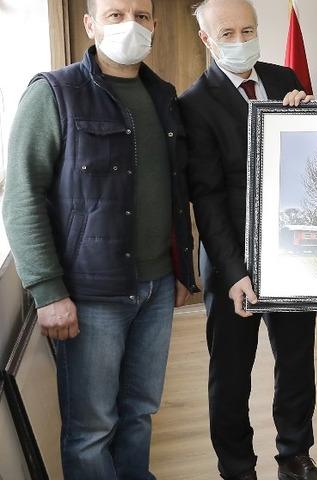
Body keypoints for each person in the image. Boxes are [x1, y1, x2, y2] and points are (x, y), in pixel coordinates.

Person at [1, 0, 197, 477]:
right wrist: (48, 292)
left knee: (140, 412)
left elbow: (175, 190)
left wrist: (181, 270)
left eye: (141, 15)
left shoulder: (164, 95)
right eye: (115, 14)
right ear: (90, 24)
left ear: (153, 24)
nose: (131, 24)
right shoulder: (53, 93)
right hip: (90, 296)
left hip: (156, 287)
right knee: (91, 430)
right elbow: (21, 195)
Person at [178, 1, 317, 479]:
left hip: (293, 257)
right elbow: (207, 197)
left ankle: (295, 456)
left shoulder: (285, 78)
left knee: (297, 363)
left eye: (249, 29)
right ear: (207, 38)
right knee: (231, 374)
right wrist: (234, 271)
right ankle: (237, 468)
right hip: (232, 264)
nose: (241, 40)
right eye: (228, 32)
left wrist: (310, 119)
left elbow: (314, 161)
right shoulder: (194, 103)